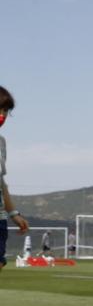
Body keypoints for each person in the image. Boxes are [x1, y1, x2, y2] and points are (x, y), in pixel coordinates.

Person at [1, 87, 31, 272]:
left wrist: (13, 213)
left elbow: (1, 182)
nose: (2, 115)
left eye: (5, 110)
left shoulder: (1, 143)